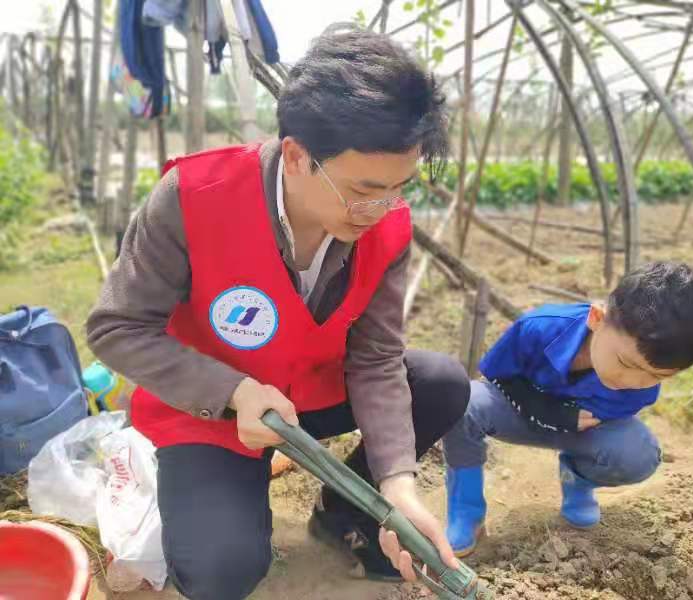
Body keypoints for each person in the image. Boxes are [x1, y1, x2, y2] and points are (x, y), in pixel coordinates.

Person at [86, 28, 470, 600]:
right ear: (295, 156)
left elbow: (376, 357)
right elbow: (116, 327)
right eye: (364, 190)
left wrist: (399, 487)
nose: (381, 209)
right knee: (222, 571)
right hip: (213, 412)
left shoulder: (386, 226)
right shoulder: (193, 196)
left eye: (398, 189)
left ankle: (346, 513)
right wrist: (233, 390)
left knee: (438, 382)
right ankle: (225, 494)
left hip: (307, 398)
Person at [443, 261, 693, 557]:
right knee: (463, 403)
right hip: (520, 412)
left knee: (640, 454)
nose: (633, 381)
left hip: (580, 431)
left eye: (657, 376)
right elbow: (497, 376)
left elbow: (611, 425)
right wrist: (546, 410)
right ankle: (466, 512)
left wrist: (570, 424)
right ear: (597, 318)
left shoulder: (641, 389)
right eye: (626, 363)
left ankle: (577, 480)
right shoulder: (538, 327)